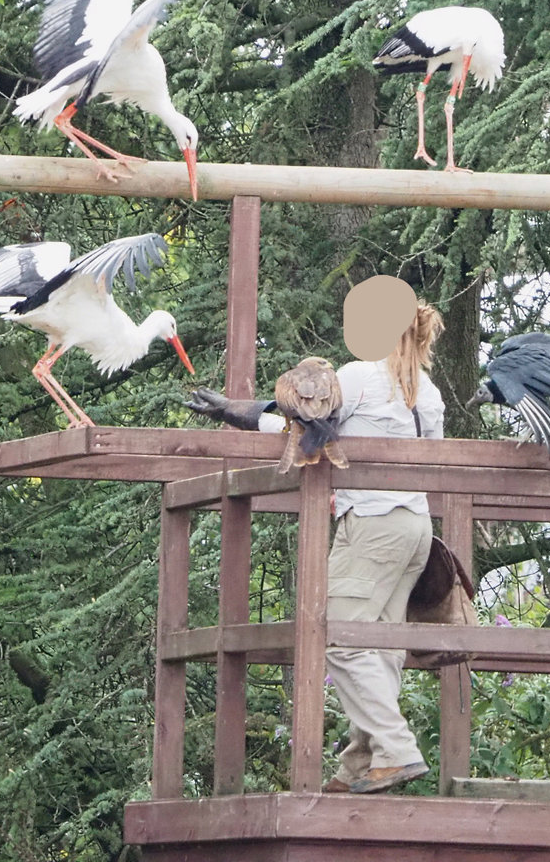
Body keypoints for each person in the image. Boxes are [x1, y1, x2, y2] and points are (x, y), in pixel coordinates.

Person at [185, 302, 446, 794]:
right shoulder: (425, 391)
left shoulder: (360, 375)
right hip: (416, 526)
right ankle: (360, 763)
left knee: (336, 635)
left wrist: (233, 412)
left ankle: (396, 750)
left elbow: (302, 421)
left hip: (372, 523)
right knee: (381, 647)